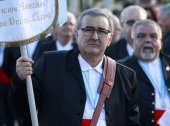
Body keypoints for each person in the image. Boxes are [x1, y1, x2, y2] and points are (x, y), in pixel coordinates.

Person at [8, 8, 140, 126]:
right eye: (88, 30)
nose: (95, 37)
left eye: (101, 31)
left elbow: (132, 121)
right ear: (77, 35)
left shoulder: (125, 76)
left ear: (110, 39)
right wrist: (20, 80)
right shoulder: (50, 64)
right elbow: (22, 109)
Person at [119, 19, 170, 126]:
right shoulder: (120, 69)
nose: (148, 40)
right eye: (141, 36)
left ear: (161, 42)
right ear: (132, 41)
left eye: (153, 36)